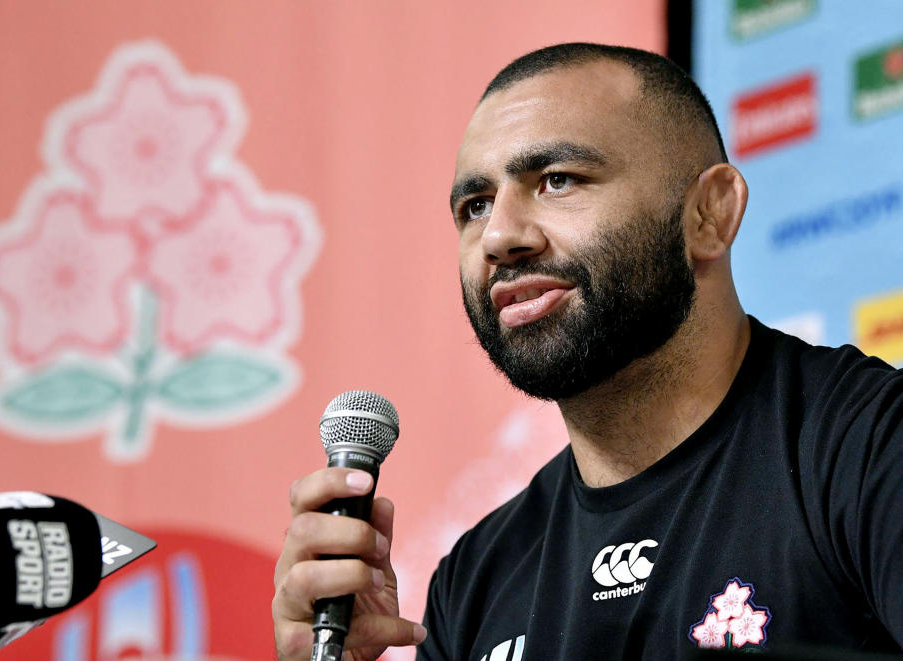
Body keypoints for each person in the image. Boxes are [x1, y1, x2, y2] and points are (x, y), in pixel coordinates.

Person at [272, 43, 903, 659]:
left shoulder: (871, 447)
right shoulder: (477, 578)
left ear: (709, 215)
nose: (498, 238)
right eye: (475, 205)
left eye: (556, 180)